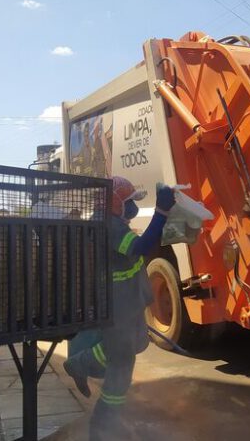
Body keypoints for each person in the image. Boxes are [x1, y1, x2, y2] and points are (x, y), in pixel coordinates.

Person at [63, 176, 175, 440]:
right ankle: (103, 424)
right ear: (114, 203)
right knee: (121, 363)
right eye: (128, 202)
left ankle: (80, 364)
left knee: (134, 343)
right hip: (118, 303)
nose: (133, 207)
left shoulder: (112, 222)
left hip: (128, 300)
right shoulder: (109, 226)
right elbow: (140, 247)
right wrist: (160, 213)